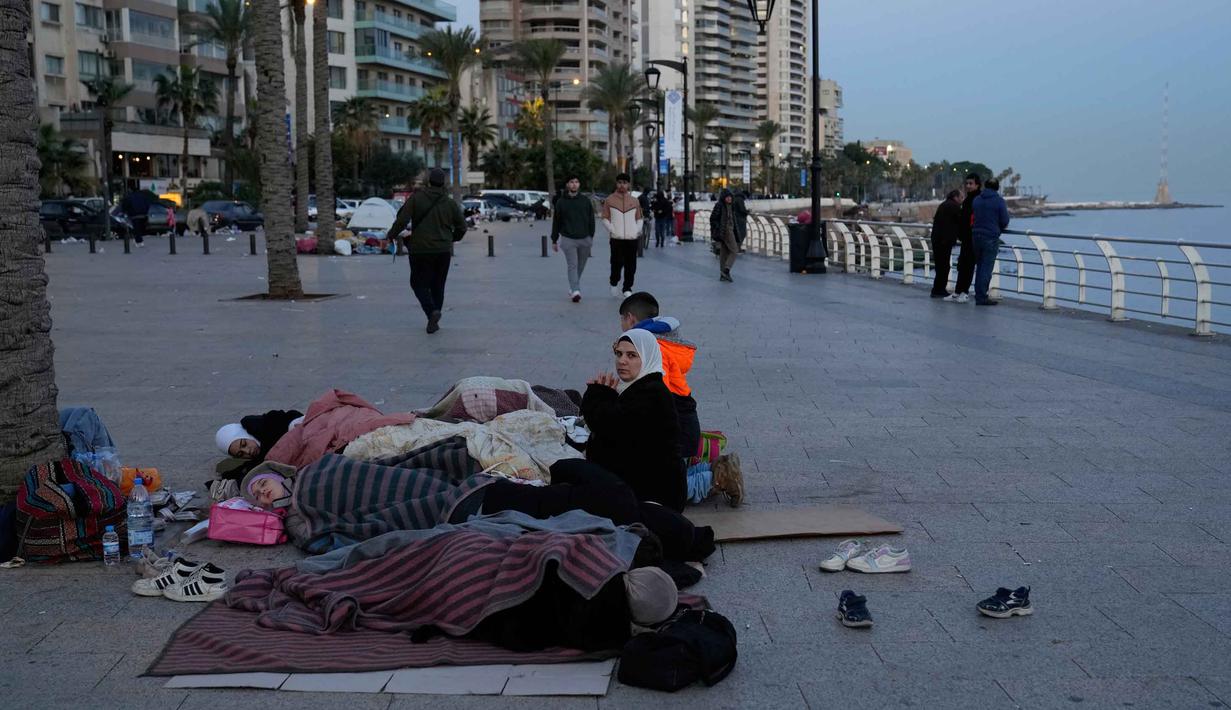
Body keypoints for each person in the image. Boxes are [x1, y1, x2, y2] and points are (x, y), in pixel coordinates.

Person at [619, 292, 743, 506]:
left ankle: (719, 479)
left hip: (675, 434)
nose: (623, 359)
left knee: (656, 492)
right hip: (683, 427)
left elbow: (651, 404)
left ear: (630, 319)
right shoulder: (666, 343)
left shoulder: (649, 350)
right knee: (666, 470)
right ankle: (716, 466)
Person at [581, 329, 686, 511]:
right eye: (619, 354)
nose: (622, 361)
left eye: (632, 355)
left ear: (646, 358)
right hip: (641, 486)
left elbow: (605, 425)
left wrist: (597, 394)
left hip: (655, 497)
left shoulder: (652, 394)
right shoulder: (639, 387)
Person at [386, 167, 468, 333]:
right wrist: (452, 238)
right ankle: (434, 318)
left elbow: (402, 220)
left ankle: (431, 312)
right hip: (443, 251)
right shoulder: (450, 203)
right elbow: (462, 227)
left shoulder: (417, 199)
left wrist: (391, 234)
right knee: (438, 285)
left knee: (417, 284)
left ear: (429, 182)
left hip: (420, 250)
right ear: (443, 184)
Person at [550, 176, 596, 303]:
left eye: (576, 182)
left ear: (579, 184)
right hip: (568, 239)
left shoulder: (585, 201)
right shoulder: (561, 202)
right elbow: (556, 222)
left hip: (585, 238)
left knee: (580, 266)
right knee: (573, 265)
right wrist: (554, 239)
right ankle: (576, 290)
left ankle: (573, 286)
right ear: (567, 185)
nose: (574, 184)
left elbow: (591, 219)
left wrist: (591, 236)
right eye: (571, 182)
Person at [602, 173, 643, 297]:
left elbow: (639, 218)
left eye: (624, 183)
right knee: (616, 263)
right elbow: (605, 218)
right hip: (616, 238)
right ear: (616, 183)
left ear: (628, 184)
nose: (622, 185)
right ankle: (614, 282)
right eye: (620, 182)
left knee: (631, 264)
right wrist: (612, 229)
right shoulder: (610, 200)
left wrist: (636, 230)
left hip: (631, 238)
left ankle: (627, 288)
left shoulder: (635, 201)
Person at [971, 178, 1010, 306]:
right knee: (986, 268)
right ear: (997, 188)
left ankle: (979, 295)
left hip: (976, 235)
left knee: (980, 266)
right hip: (990, 237)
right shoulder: (999, 201)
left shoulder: (977, 200)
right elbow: (1004, 220)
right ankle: (982, 297)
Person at [946, 173, 982, 303]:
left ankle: (964, 292)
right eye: (967, 183)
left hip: (972, 237)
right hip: (966, 237)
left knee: (969, 265)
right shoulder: (968, 199)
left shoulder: (978, 199)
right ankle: (957, 291)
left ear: (977, 185)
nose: (968, 186)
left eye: (971, 183)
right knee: (962, 264)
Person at [930, 190, 964, 298]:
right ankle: (938, 290)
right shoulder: (954, 207)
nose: (962, 200)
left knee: (940, 266)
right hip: (944, 241)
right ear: (955, 197)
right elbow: (960, 221)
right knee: (944, 266)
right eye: (961, 197)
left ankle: (937, 289)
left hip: (937, 239)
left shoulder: (944, 205)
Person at [710, 190, 739, 282]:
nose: (729, 198)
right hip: (725, 230)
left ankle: (722, 275)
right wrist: (719, 228)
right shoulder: (720, 205)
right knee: (734, 250)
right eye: (727, 197)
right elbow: (713, 218)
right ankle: (726, 270)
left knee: (724, 253)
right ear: (723, 197)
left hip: (728, 230)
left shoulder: (731, 206)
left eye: (730, 196)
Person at [119, 180, 153, 246]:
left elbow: (125, 205)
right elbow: (148, 204)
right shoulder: (142, 196)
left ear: (130, 190)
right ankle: (138, 240)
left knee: (136, 229)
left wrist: (125, 212)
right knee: (139, 228)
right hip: (143, 215)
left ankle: (139, 241)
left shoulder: (129, 197)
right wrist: (146, 211)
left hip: (135, 215)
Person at [637, 187, 653, 251]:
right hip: (644, 214)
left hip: (642, 214)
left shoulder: (641, 197)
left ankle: (643, 238)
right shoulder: (644, 197)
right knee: (644, 227)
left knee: (642, 228)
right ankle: (643, 239)